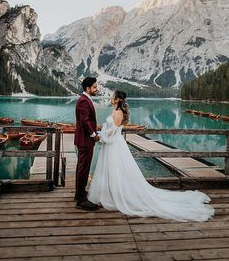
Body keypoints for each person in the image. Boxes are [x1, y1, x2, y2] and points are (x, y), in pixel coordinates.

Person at [88, 91, 214, 221]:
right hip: (111, 145)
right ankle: (111, 194)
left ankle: (118, 196)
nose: (111, 97)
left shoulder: (119, 113)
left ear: (117, 99)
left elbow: (112, 132)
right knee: (110, 170)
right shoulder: (115, 111)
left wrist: (100, 137)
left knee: (116, 169)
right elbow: (110, 130)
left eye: (113, 96)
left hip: (114, 145)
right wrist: (102, 135)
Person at [74, 76, 101, 210]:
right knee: (83, 168)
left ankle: (80, 193)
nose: (97, 89)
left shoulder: (85, 99)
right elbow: (84, 121)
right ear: (88, 88)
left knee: (82, 167)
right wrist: (93, 135)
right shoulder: (84, 101)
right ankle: (81, 200)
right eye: (95, 87)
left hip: (84, 140)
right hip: (85, 140)